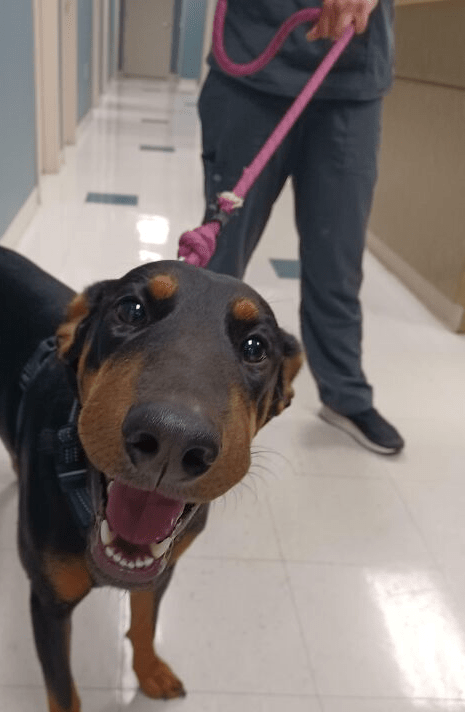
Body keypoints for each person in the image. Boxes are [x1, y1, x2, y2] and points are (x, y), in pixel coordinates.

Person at [199, 0, 404, 454]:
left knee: (338, 260)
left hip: (352, 78)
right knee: (222, 255)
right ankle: (196, 385)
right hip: (251, 72)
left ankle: (345, 395)